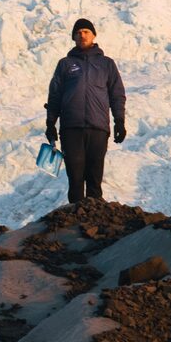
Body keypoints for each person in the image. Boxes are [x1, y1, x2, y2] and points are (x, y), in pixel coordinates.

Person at [45, 18, 127, 204]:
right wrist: (51, 123)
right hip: (70, 128)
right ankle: (75, 220)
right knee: (75, 177)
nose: (82, 35)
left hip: (98, 128)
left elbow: (117, 94)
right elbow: (55, 95)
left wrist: (119, 121)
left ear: (94, 35)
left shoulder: (107, 64)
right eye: (78, 32)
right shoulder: (65, 64)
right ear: (73, 37)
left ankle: (94, 219)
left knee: (94, 177)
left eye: (86, 32)